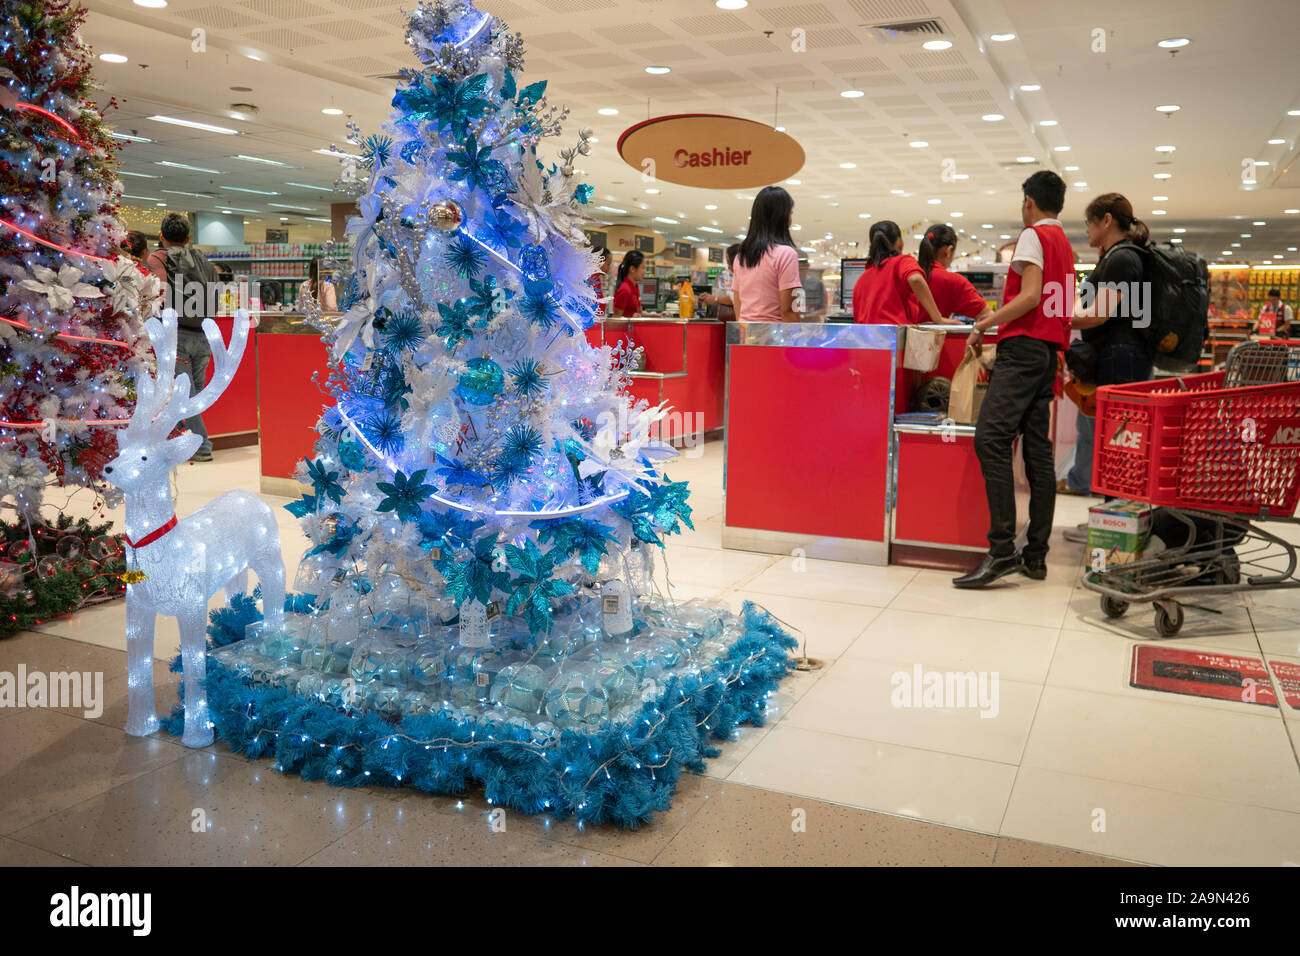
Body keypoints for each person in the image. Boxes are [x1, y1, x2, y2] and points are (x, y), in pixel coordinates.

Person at [953, 171, 1073, 589]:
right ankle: (1035, 555)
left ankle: (1002, 550)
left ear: (1028, 201)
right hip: (1047, 353)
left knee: (990, 438)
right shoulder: (1065, 245)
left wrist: (983, 325)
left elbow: (1030, 296)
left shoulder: (1032, 235)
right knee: (1038, 451)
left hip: (1022, 349)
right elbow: (1058, 302)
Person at [1060, 193, 1154, 508]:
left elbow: (1100, 312)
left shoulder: (1122, 258)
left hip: (1120, 360)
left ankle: (1118, 521)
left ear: (1107, 221)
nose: (1086, 229)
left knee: (1118, 444)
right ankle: (1113, 518)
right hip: (1121, 358)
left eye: (1090, 222)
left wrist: (1058, 321)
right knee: (1115, 443)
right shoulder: (1120, 256)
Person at [145, 212, 218, 462]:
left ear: (161, 236)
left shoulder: (156, 259)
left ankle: (201, 446)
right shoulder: (203, 262)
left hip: (177, 336)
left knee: (184, 393)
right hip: (204, 335)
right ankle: (185, 440)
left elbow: (159, 295)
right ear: (188, 237)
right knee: (194, 392)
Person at [852, 220, 953, 325]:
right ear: (900, 242)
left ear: (871, 245)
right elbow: (916, 279)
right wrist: (938, 319)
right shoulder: (902, 262)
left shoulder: (862, 278)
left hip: (866, 340)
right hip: (895, 338)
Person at [731, 186, 803, 323]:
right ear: (781, 216)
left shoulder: (742, 255)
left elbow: (737, 303)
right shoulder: (786, 254)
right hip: (774, 338)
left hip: (746, 335)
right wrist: (795, 339)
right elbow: (788, 310)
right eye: (790, 213)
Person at [917, 224, 993, 325]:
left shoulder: (906, 273)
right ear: (948, 251)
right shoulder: (954, 281)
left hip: (896, 338)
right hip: (935, 339)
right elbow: (987, 316)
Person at [698, 243, 740, 319]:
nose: (729, 267)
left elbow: (736, 297)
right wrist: (711, 298)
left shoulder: (744, 276)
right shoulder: (738, 276)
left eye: (729, 262)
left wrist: (715, 299)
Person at [612, 249, 647, 318]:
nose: (644, 272)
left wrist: (657, 315)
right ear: (632, 269)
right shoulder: (624, 290)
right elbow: (616, 318)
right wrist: (630, 317)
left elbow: (639, 312)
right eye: (642, 268)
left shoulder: (635, 286)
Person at [589, 246, 611, 317]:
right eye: (608, 264)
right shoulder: (592, 280)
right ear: (600, 261)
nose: (609, 267)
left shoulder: (595, 278)